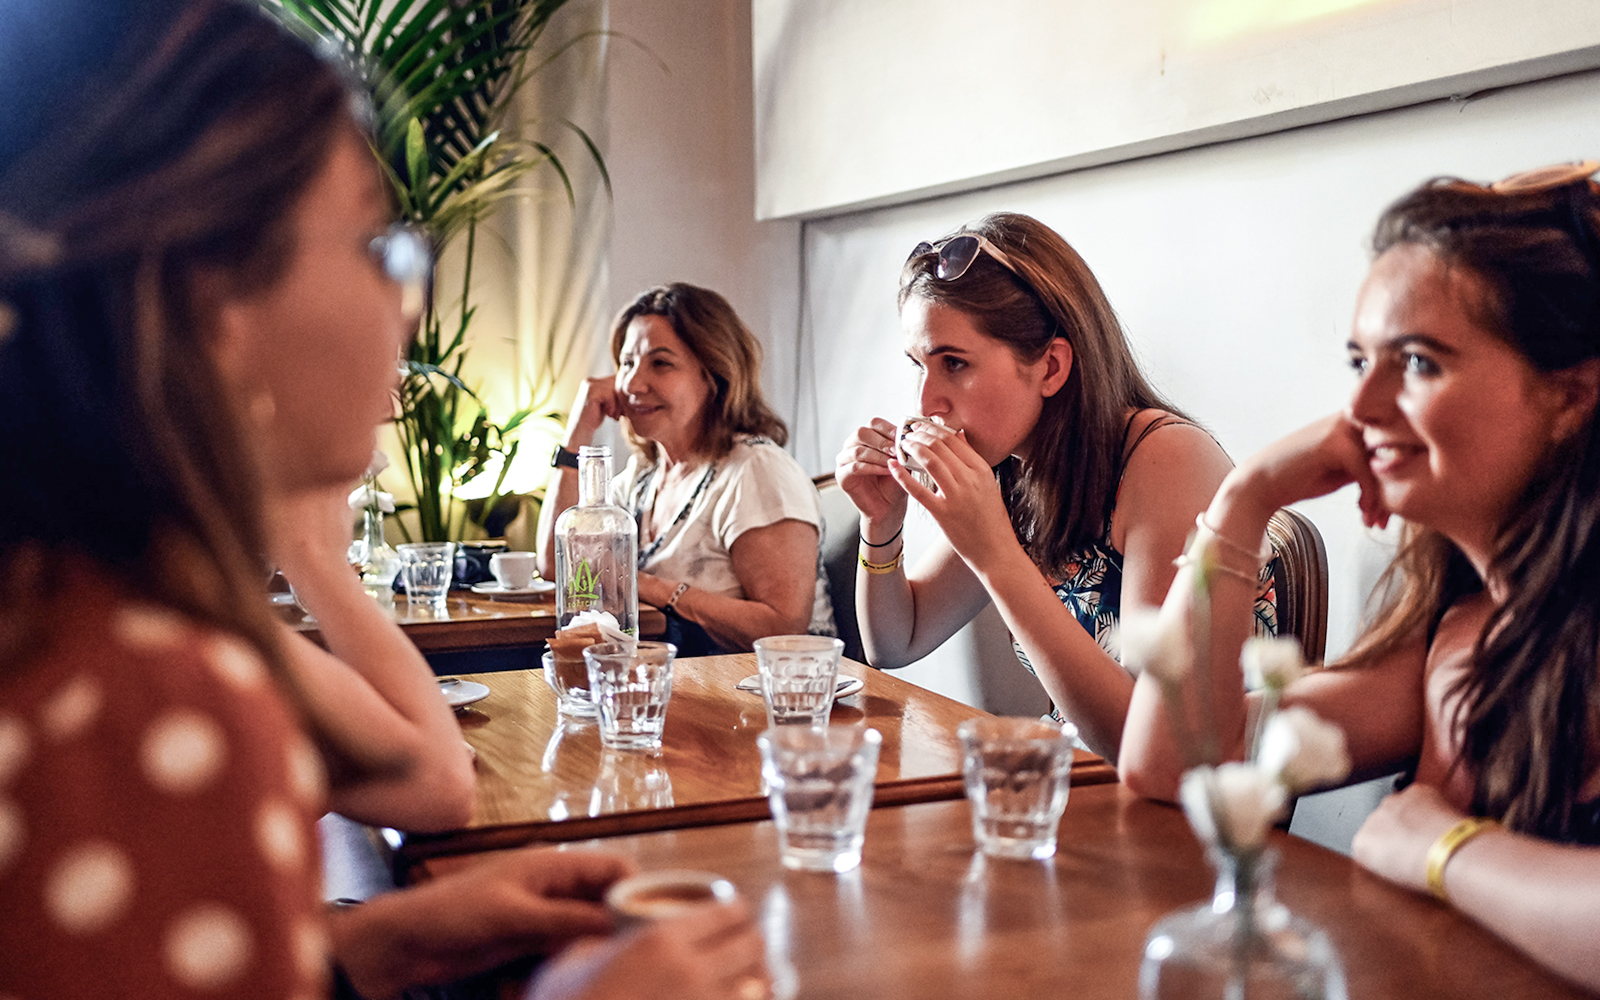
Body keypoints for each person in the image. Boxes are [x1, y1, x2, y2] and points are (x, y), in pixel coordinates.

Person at [0, 3, 767, 998]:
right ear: (212, 297)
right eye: (379, 246)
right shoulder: (149, 697)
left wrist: (365, 948)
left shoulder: (60, 612)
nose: (409, 302)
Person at [1118, 163, 1600, 990]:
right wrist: (1243, 500)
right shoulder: (1455, 631)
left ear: (1570, 394)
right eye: (1359, 361)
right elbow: (1172, 768)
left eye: (1416, 363)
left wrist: (1443, 848)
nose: (1361, 409)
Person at [835, 212, 1277, 759]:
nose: (927, 402)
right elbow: (895, 642)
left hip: (1176, 810)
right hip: (1077, 781)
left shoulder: (1166, 460)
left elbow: (1151, 740)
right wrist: (883, 523)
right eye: (919, 365)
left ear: (1051, 367)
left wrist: (995, 553)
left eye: (955, 363)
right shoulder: (1018, 467)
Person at [537, 283, 835, 656]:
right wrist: (577, 433)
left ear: (713, 375)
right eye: (627, 363)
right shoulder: (641, 478)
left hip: (772, 699)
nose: (631, 383)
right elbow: (557, 563)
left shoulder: (756, 471)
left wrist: (647, 586)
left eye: (660, 363)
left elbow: (782, 627)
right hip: (675, 687)